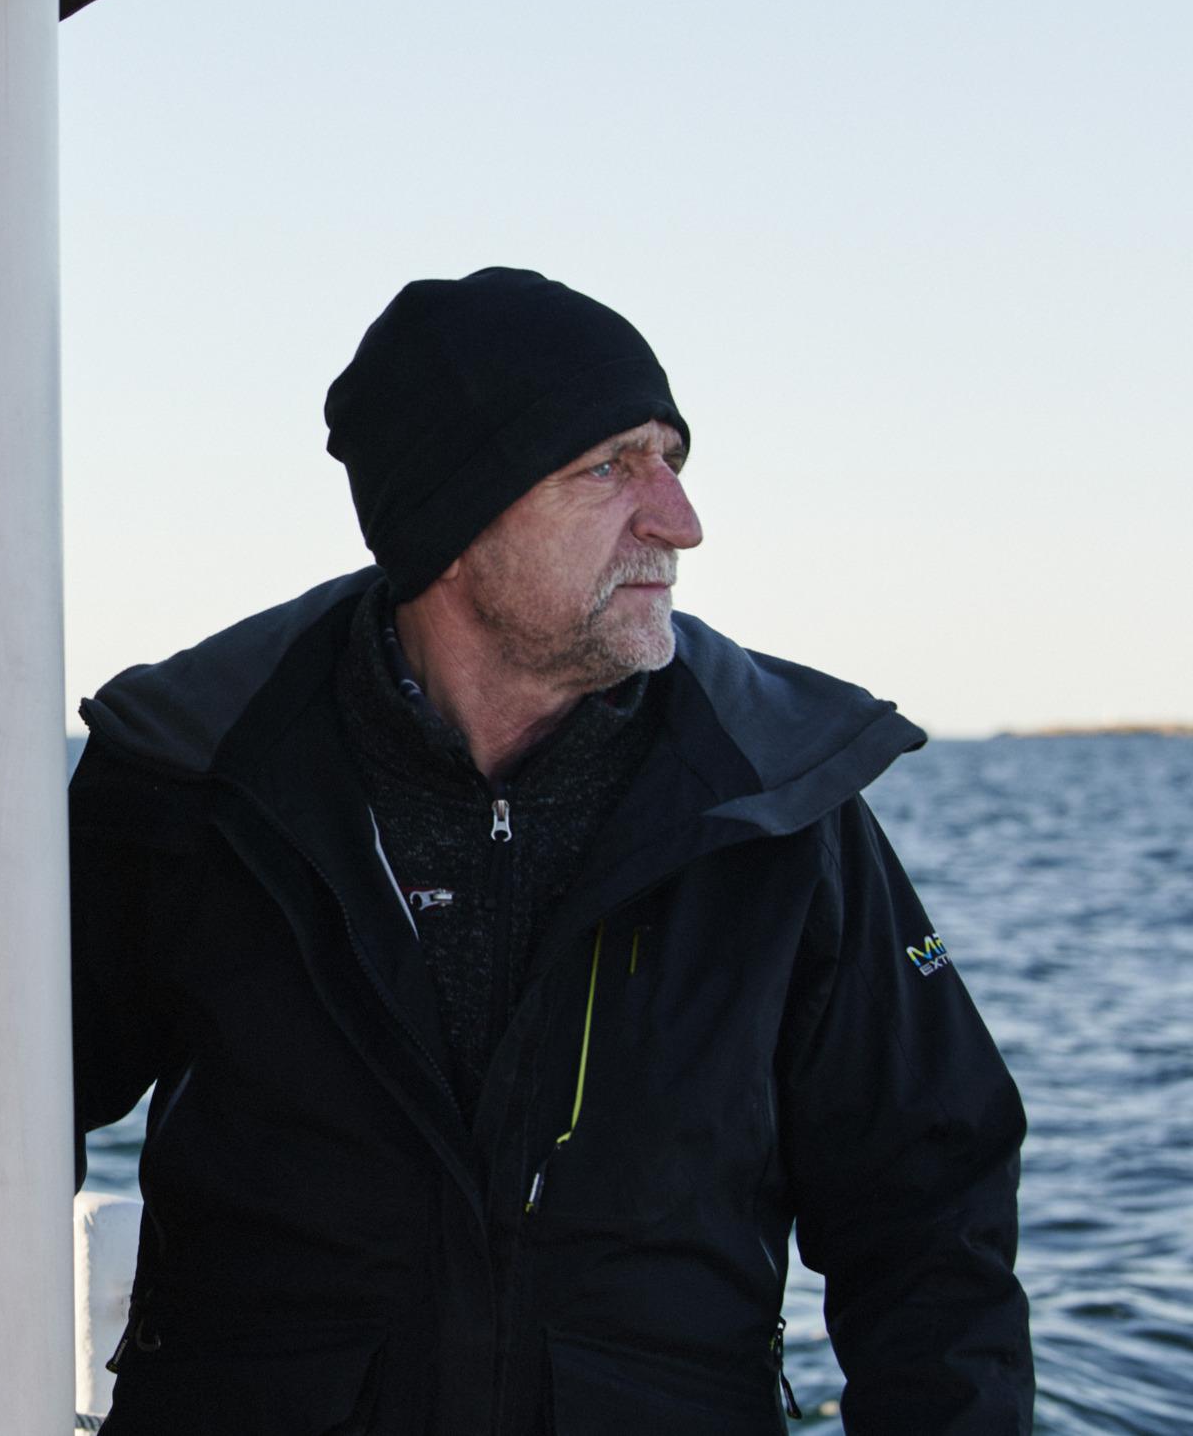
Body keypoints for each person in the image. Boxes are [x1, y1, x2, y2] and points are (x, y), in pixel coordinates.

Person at [70, 268, 1031, 1435]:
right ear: (449, 523)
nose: (677, 520)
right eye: (609, 468)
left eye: (669, 460)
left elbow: (928, 1211)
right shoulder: (194, 780)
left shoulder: (777, 801)